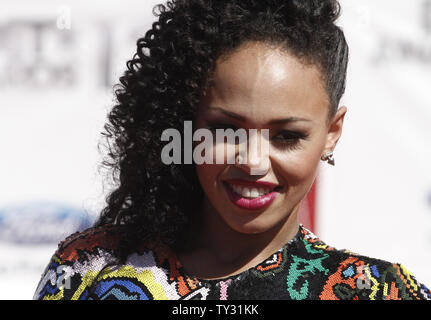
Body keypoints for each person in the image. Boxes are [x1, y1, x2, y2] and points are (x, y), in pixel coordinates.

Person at [34, 0, 430, 300]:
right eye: (225, 131)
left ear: (332, 132)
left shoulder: (379, 291)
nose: (253, 162)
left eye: (287, 136)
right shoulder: (87, 268)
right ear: (186, 123)